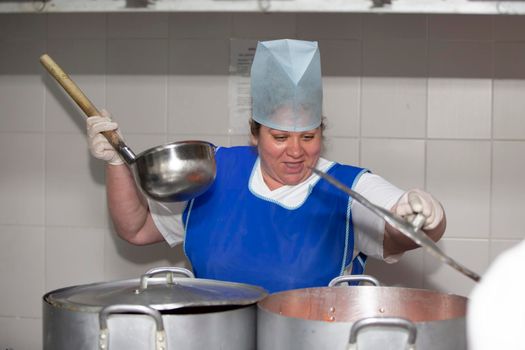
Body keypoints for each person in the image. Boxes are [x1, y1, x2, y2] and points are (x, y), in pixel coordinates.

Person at [87, 39, 446, 293]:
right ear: (254, 134)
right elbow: (136, 230)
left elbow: (406, 229)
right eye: (279, 137)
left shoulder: (347, 188)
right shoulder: (213, 171)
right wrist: (116, 162)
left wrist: (427, 217)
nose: (295, 151)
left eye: (308, 137)